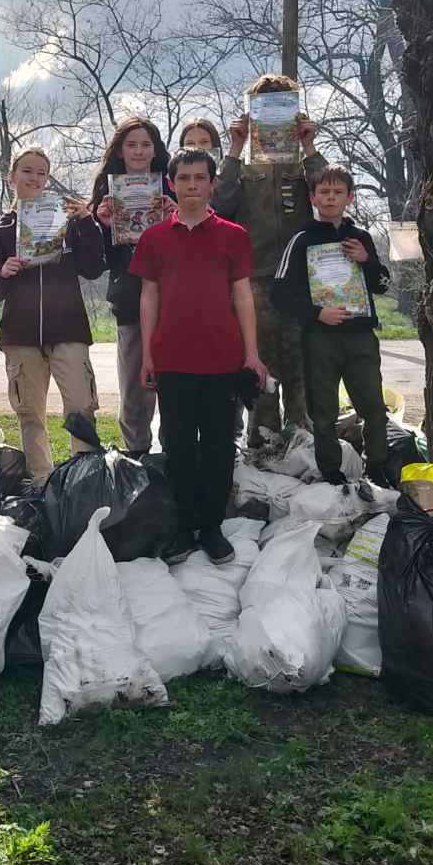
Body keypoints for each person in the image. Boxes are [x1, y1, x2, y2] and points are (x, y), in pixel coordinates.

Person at [131, 148, 265, 565]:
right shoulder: (154, 238)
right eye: (184, 178)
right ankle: (184, 526)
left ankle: (212, 527)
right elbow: (148, 296)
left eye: (199, 178)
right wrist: (148, 355)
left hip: (223, 360)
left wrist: (253, 355)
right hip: (171, 360)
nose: (191, 185)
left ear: (211, 184)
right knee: (179, 446)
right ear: (171, 183)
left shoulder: (233, 235)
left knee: (220, 448)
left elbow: (243, 296)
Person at [0, 146, 106, 484]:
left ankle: (84, 481)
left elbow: (94, 268)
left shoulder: (65, 219)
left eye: (41, 173)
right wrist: (3, 272)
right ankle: (41, 482)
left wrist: (88, 222)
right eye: (27, 171)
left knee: (81, 407)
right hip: (20, 336)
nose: (35, 178)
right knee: (30, 414)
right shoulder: (3, 231)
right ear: (12, 178)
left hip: (68, 330)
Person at [213, 75, 326, 440]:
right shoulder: (243, 169)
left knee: (300, 365)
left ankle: (304, 442)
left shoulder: (304, 167)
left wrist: (309, 147)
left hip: (300, 281)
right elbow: (221, 206)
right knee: (261, 365)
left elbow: (329, 197)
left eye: (284, 106)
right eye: (266, 108)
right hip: (256, 280)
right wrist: (235, 146)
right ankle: (263, 443)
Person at [269, 164, 394, 485]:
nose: (331, 197)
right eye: (324, 192)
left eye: (338, 192)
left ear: (350, 197)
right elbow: (279, 293)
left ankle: (378, 466)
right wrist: (316, 313)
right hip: (320, 336)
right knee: (323, 411)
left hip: (361, 335)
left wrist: (366, 261)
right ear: (312, 198)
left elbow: (382, 284)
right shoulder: (301, 240)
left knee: (374, 407)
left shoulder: (361, 238)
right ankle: (331, 471)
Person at [91, 117, 176, 454]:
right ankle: (136, 454)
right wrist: (102, 225)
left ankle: (173, 453)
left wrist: (175, 218)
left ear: (156, 149)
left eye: (146, 144)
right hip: (129, 299)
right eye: (132, 144)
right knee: (134, 388)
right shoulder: (107, 193)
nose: (139, 151)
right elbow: (98, 261)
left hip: (173, 300)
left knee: (174, 383)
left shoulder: (171, 186)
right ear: (120, 150)